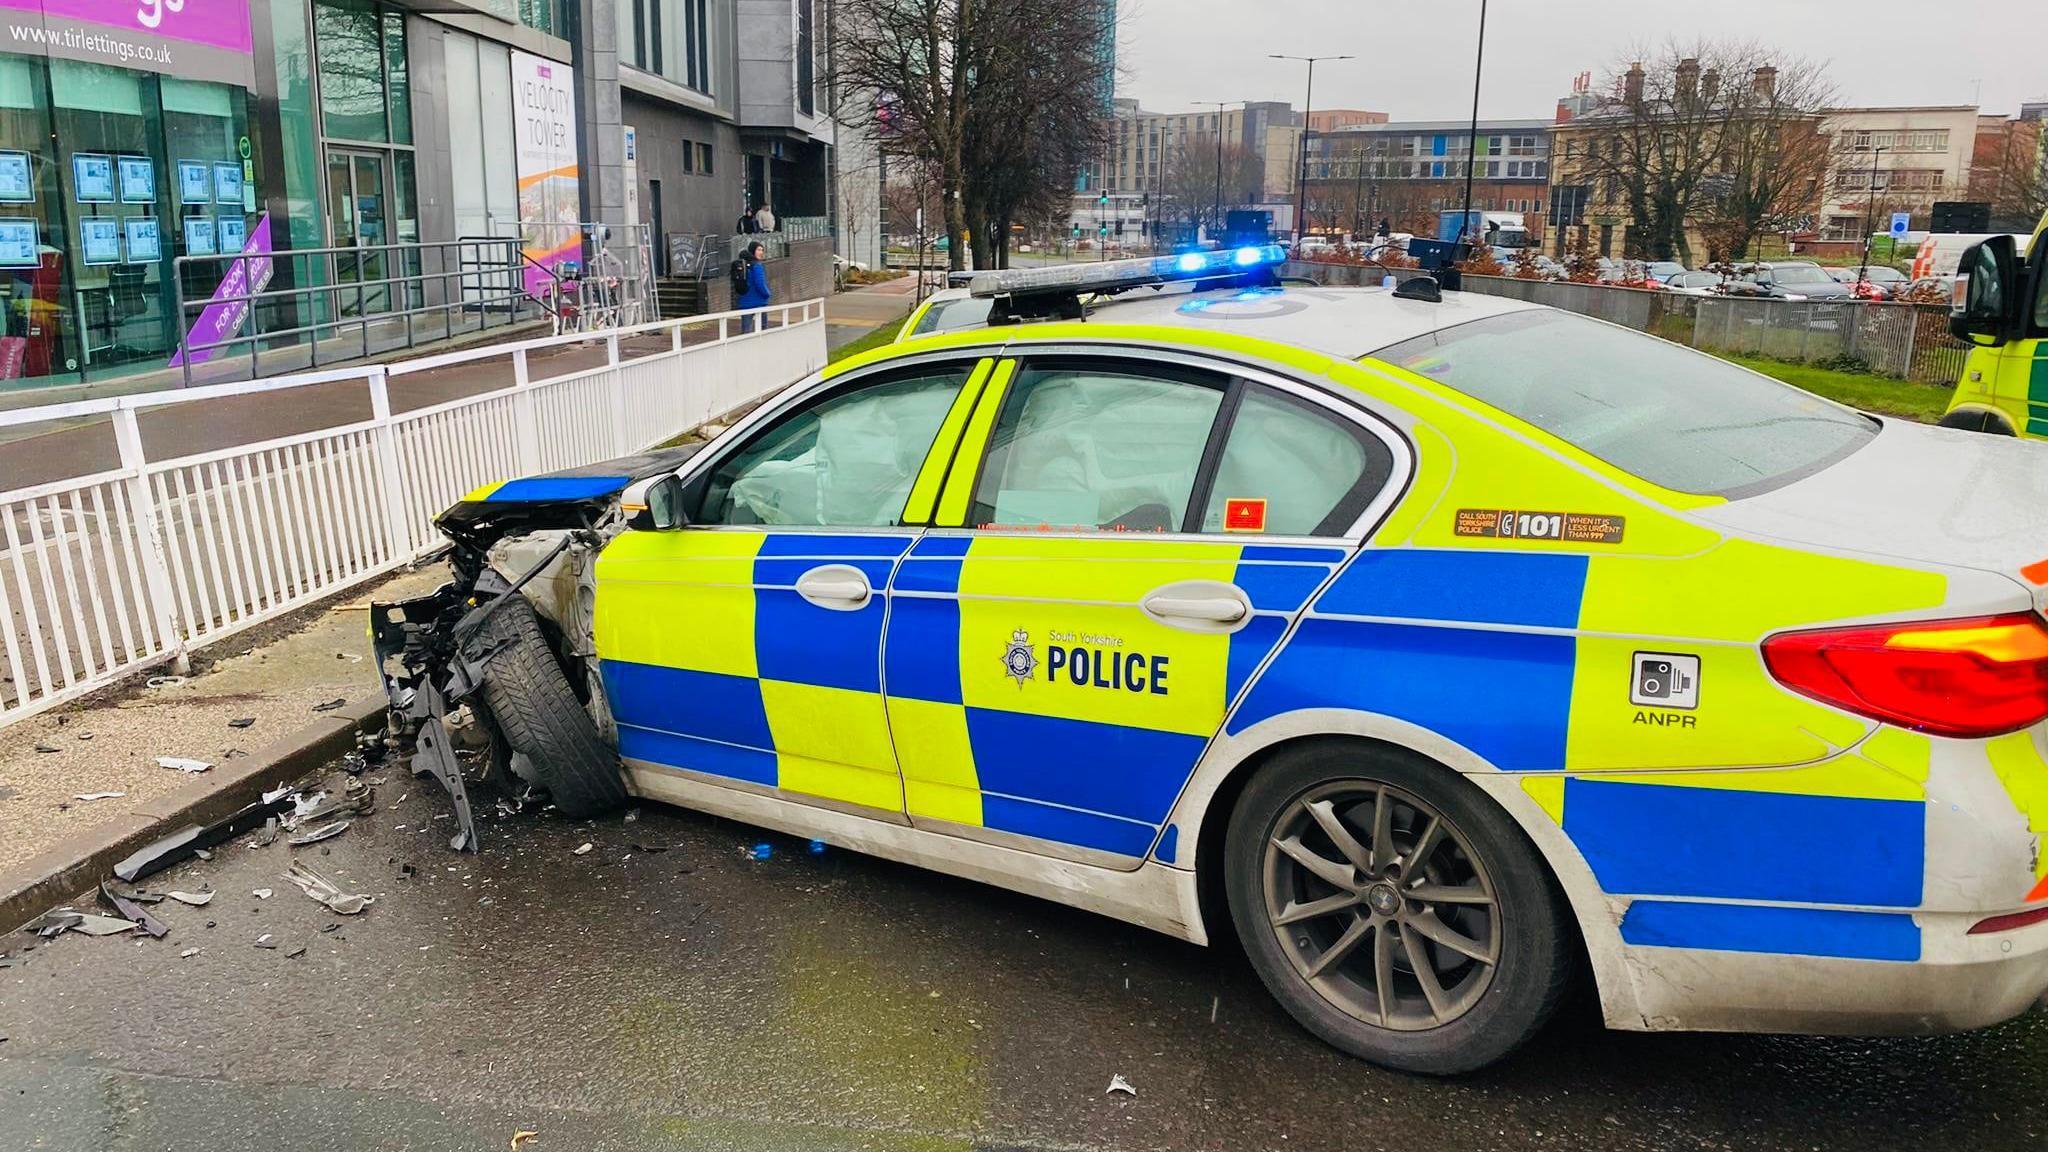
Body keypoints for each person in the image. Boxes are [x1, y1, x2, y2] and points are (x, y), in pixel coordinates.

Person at [735, 240, 771, 333]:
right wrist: (767, 294)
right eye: (758, 250)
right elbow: (760, 283)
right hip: (759, 302)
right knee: (763, 331)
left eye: (762, 250)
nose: (761, 252)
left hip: (745, 302)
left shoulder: (742, 265)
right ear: (753, 251)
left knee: (746, 332)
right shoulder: (757, 265)